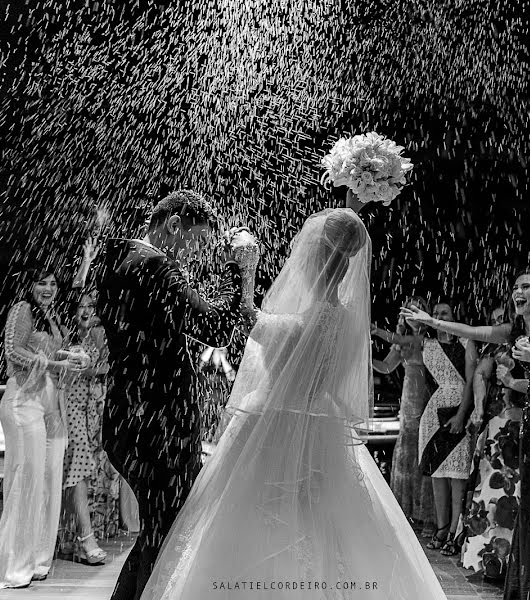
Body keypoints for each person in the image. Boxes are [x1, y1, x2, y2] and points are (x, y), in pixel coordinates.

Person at [140, 208, 447, 599]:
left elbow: (248, 317)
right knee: (325, 524)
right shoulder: (351, 324)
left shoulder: (297, 326)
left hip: (272, 429)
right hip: (323, 428)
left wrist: (245, 267)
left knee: (251, 525)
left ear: (313, 260)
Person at [93, 190, 259, 600]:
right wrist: (236, 271)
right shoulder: (154, 266)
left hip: (128, 416)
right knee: (165, 531)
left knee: (159, 529)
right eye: (198, 240)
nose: (197, 252)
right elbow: (217, 330)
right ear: (172, 225)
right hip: (156, 426)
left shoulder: (116, 258)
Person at [403, 269, 530, 600]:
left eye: (525, 286)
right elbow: (472, 330)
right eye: (515, 286)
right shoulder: (513, 331)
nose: (517, 291)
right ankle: (529, 587)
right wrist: (433, 321)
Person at [0, 269, 82, 589]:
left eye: (54, 283)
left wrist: (71, 356)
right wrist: (59, 364)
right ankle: (13, 568)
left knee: (49, 483)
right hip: (24, 399)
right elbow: (13, 351)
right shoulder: (22, 309)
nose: (49, 288)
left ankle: (39, 560)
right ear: (28, 284)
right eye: (42, 281)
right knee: (25, 484)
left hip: (51, 403)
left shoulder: (50, 316)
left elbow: (50, 355)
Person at [461, 306, 523, 582]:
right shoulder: (493, 349)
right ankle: (491, 558)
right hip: (500, 424)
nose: (498, 323)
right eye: (494, 319)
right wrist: (477, 406)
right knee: (490, 488)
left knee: (519, 492)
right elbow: (480, 375)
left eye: (503, 318)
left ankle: (514, 560)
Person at [417, 302, 477, 557]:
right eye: (437, 313)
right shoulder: (426, 345)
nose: (440, 317)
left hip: (457, 412)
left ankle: (455, 530)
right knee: (437, 474)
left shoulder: (466, 341)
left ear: (454, 317)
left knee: (457, 476)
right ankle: (441, 527)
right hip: (433, 415)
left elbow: (471, 381)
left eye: (445, 313)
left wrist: (462, 415)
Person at [371, 299, 435, 536]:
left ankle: (426, 515)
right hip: (409, 400)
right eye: (407, 309)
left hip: (428, 398)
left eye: (417, 307)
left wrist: (377, 330)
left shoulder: (430, 340)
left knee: (424, 452)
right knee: (408, 452)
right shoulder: (403, 343)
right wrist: (364, 358)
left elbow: (401, 340)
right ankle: (407, 512)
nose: (411, 312)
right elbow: (387, 367)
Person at [60, 292, 110, 565]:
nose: (86, 310)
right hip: (68, 404)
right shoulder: (65, 332)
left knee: (84, 471)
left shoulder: (100, 333)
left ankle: (71, 534)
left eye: (91, 305)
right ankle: (86, 538)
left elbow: (108, 364)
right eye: (80, 306)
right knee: (77, 464)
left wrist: (92, 369)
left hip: (95, 406)